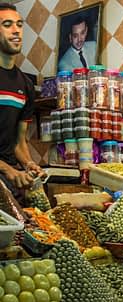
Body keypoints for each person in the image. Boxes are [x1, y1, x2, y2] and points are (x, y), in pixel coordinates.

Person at [0, 3, 46, 197]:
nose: (16, 30)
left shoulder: (25, 84)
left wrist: (28, 164)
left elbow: (19, 143)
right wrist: (8, 170)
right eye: (7, 24)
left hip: (8, 181)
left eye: (19, 24)